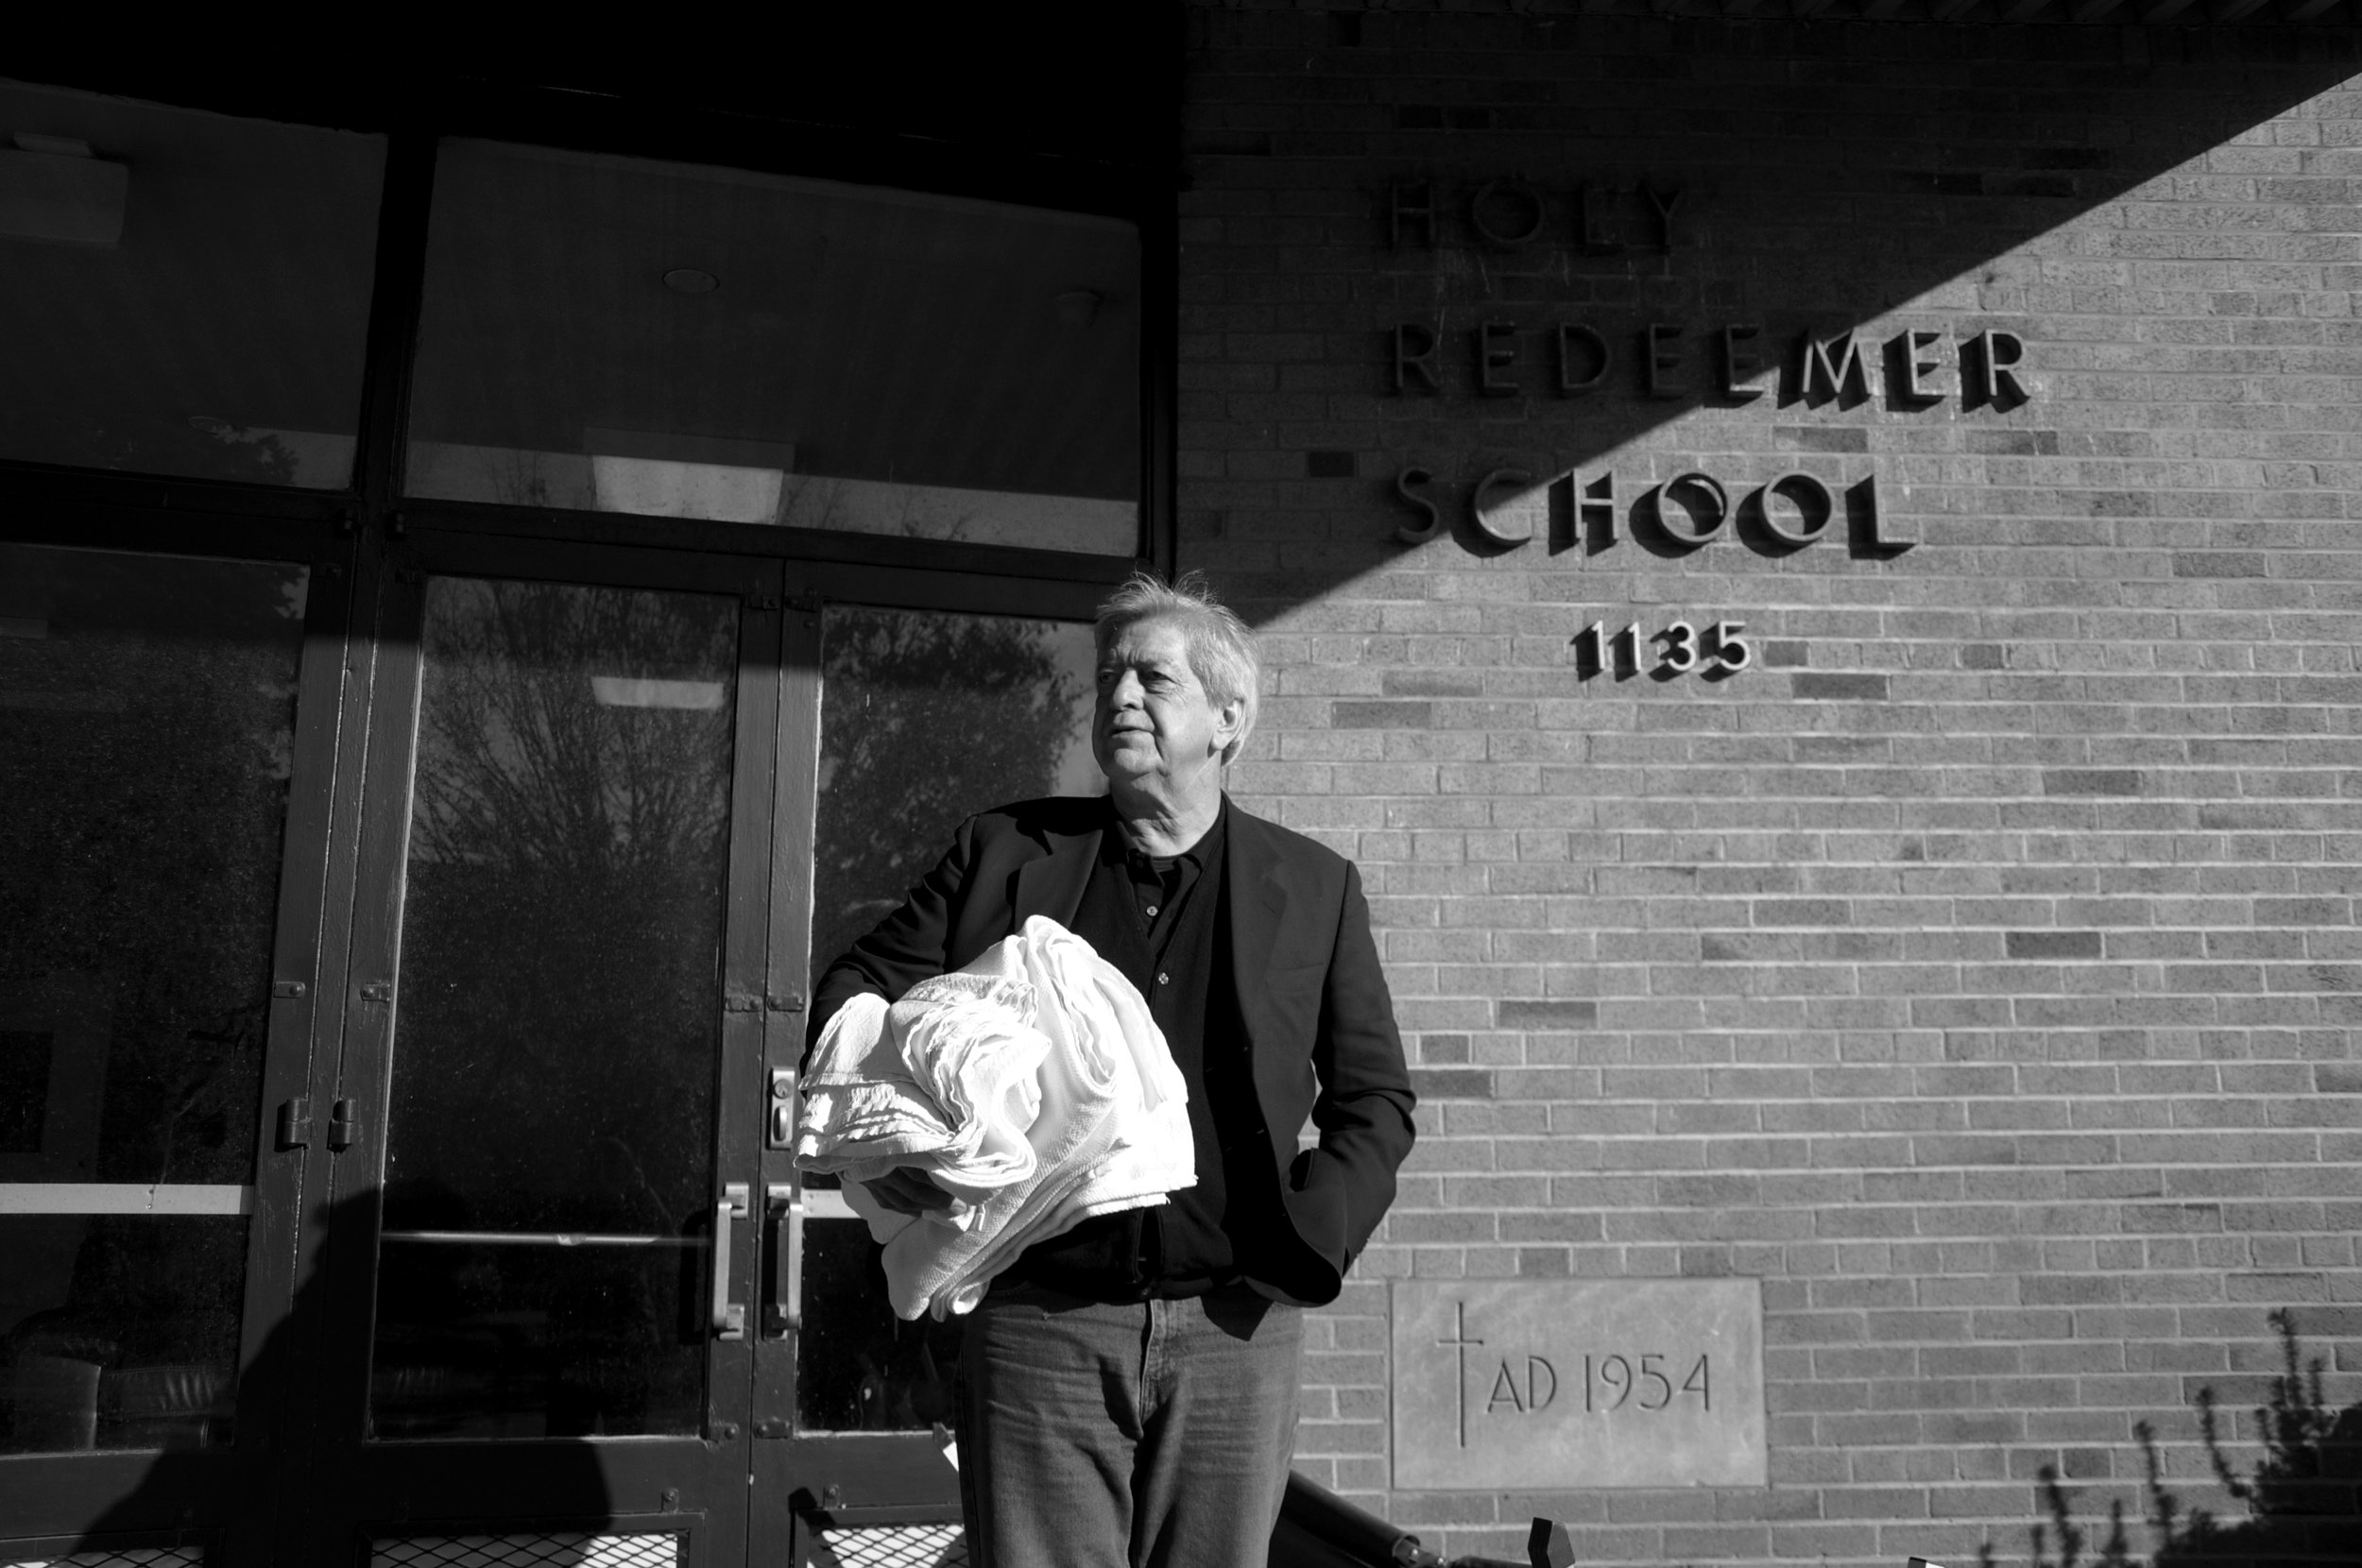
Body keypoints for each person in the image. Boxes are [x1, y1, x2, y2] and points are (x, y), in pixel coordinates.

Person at [808, 571, 1416, 1568]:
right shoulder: (1002, 853)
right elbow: (855, 986)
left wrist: (1313, 1234)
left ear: (1227, 719)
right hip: (1040, 1321)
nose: (1119, 696)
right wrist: (889, 1146)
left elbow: (1375, 1098)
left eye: (1151, 677)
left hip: (1235, 1328)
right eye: (1107, 678)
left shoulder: (1313, 886)